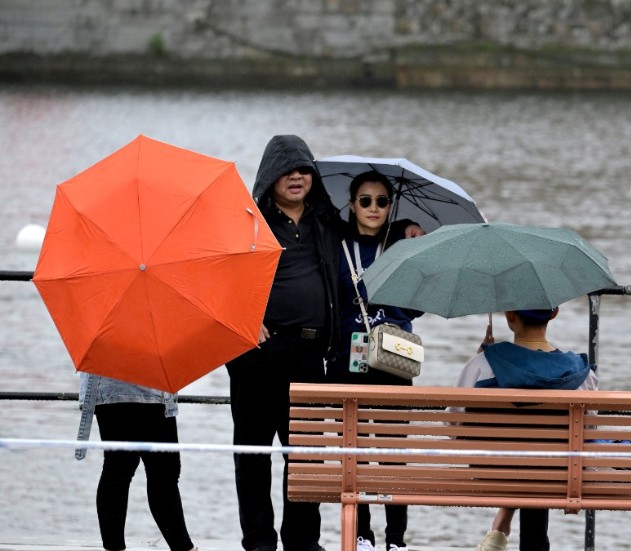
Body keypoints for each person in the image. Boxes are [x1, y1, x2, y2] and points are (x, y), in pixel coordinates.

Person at [225, 135, 342, 551]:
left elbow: (371, 233)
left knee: (307, 457)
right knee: (253, 456)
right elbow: (218, 278)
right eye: (287, 169)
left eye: (304, 169)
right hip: (255, 355)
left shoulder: (326, 222)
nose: (296, 176)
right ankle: (258, 542)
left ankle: (302, 542)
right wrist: (244, 319)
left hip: (310, 356)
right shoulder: (247, 222)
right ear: (269, 175)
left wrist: (404, 230)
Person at [325, 170, 423, 551]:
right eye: (365, 200)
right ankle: (362, 535)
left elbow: (418, 307)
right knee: (357, 455)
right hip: (345, 362)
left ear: (390, 206)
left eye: (382, 201)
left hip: (394, 360)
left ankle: (396, 540)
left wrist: (406, 230)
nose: (374, 208)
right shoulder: (335, 244)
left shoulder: (403, 246)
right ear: (352, 205)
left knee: (394, 455)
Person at [456, 308, 598, 551]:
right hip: (558, 474)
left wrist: (485, 356)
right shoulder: (582, 374)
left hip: (492, 471)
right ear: (554, 314)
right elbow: (590, 429)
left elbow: (454, 425)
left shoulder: (483, 365)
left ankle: (500, 525)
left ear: (510, 316)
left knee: (524, 464)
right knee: (541, 463)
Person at [76, 373, 197, 551]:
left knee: (118, 470)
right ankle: (183, 547)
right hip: (150, 388)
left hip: (107, 388)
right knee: (163, 473)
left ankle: (114, 547)